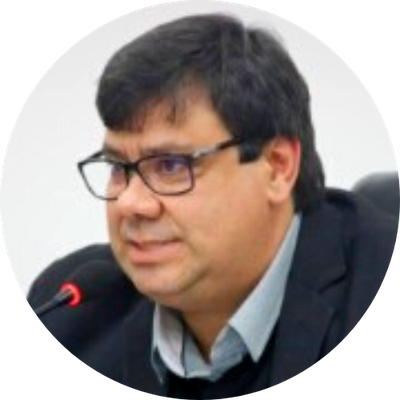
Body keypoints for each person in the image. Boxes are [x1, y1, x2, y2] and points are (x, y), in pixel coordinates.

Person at [27, 13, 397, 396]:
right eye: (118, 168)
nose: (130, 203)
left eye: (171, 166)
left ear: (277, 167)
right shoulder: (70, 311)